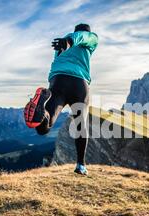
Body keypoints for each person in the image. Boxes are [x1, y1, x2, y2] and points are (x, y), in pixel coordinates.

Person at [24, 23, 98, 175]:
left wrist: (67, 42)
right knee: (80, 124)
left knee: (43, 127)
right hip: (79, 83)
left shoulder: (62, 43)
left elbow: (69, 44)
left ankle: (41, 112)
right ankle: (81, 165)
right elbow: (82, 37)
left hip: (57, 81)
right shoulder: (89, 38)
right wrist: (70, 41)